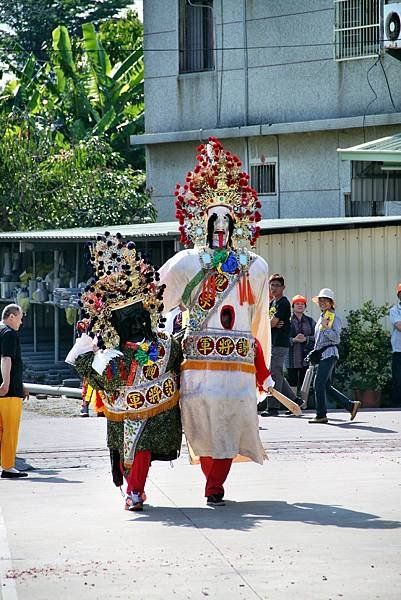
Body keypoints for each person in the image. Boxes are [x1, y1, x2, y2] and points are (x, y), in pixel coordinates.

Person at [159, 137, 274, 506]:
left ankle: (215, 484)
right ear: (201, 221)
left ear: (238, 221)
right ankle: (212, 482)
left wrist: (261, 367)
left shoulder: (255, 266)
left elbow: (258, 324)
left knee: (231, 424)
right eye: (215, 218)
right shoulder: (186, 263)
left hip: (237, 364)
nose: (221, 225)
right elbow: (156, 303)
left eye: (228, 218)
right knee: (202, 424)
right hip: (198, 363)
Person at [66, 232, 182, 511]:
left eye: (137, 317)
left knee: (138, 451)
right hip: (123, 408)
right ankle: (134, 489)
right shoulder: (113, 355)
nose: (133, 323)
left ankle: (135, 492)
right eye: (125, 318)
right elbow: (100, 377)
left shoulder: (159, 346)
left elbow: (170, 358)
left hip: (147, 406)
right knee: (126, 451)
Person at [308, 288, 361, 424]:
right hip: (322, 355)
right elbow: (319, 339)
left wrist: (326, 328)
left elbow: (336, 338)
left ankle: (321, 415)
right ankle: (350, 405)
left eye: (326, 300)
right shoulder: (322, 318)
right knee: (325, 386)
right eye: (320, 300)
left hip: (329, 354)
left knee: (318, 384)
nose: (322, 302)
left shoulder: (333, 317)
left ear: (331, 303)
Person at [263, 274, 300, 416]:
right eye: (272, 285)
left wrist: (270, 323)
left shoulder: (283, 303)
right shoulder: (272, 303)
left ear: (283, 288)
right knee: (277, 373)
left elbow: (272, 322)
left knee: (274, 374)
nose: (274, 288)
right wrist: (270, 323)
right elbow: (270, 322)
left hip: (280, 343)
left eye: (277, 285)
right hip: (273, 342)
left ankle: (273, 407)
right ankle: (295, 401)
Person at [0, 304, 29, 479]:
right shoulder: (10, 334)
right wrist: (7, 383)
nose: (21, 321)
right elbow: (6, 359)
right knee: (10, 429)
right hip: (9, 391)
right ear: (11, 316)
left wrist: (21, 383)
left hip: (7, 387)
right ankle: (8, 466)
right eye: (20, 318)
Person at [287, 295, 316, 402]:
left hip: (306, 356)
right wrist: (294, 340)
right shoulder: (286, 321)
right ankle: (292, 405)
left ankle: (304, 404)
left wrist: (306, 339)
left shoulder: (310, 321)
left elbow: (317, 336)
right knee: (292, 380)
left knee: (305, 380)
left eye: (302, 304)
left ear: (305, 307)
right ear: (293, 306)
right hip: (291, 357)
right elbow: (281, 338)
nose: (300, 306)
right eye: (297, 304)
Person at [389, 283, 401, 406]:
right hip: (399, 350)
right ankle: (397, 406)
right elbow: (399, 326)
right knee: (398, 379)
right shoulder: (394, 310)